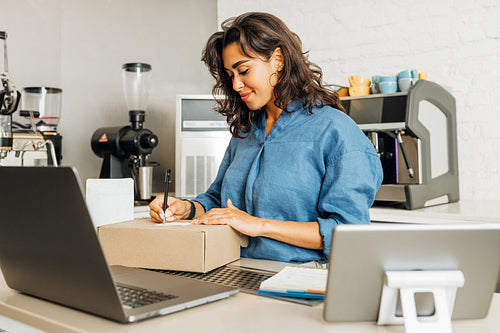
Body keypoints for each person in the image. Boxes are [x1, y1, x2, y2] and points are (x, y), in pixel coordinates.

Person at [150, 12, 383, 263]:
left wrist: (259, 225)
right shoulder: (246, 131)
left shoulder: (336, 131)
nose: (237, 85)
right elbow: (218, 200)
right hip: (232, 268)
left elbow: (347, 233)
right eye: (231, 76)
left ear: (278, 60)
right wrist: (185, 208)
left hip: (299, 280)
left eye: (244, 71)